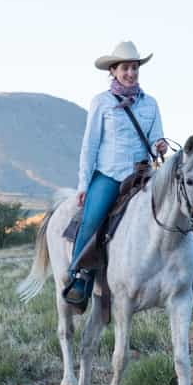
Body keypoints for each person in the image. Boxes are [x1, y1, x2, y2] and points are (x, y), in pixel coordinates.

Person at [62, 41, 169, 309]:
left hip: (142, 175)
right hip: (110, 175)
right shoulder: (101, 102)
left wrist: (160, 145)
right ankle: (80, 278)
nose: (131, 73)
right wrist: (84, 184)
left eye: (134, 68)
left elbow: (157, 138)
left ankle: (187, 276)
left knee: (175, 206)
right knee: (93, 218)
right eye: (125, 68)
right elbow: (90, 145)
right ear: (113, 70)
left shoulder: (151, 104)